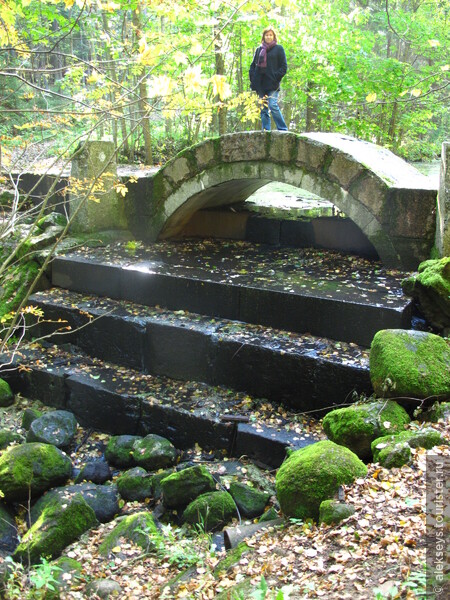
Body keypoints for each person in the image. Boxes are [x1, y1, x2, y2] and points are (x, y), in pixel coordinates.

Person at [249, 27, 288, 131]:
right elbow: (253, 66)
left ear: (274, 36)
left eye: (270, 35)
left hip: (272, 84)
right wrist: (253, 80)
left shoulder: (279, 49)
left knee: (273, 105)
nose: (268, 37)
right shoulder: (259, 49)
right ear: (263, 37)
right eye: (267, 35)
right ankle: (266, 130)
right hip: (260, 84)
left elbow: (284, 67)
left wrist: (275, 76)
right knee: (263, 108)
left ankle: (283, 129)